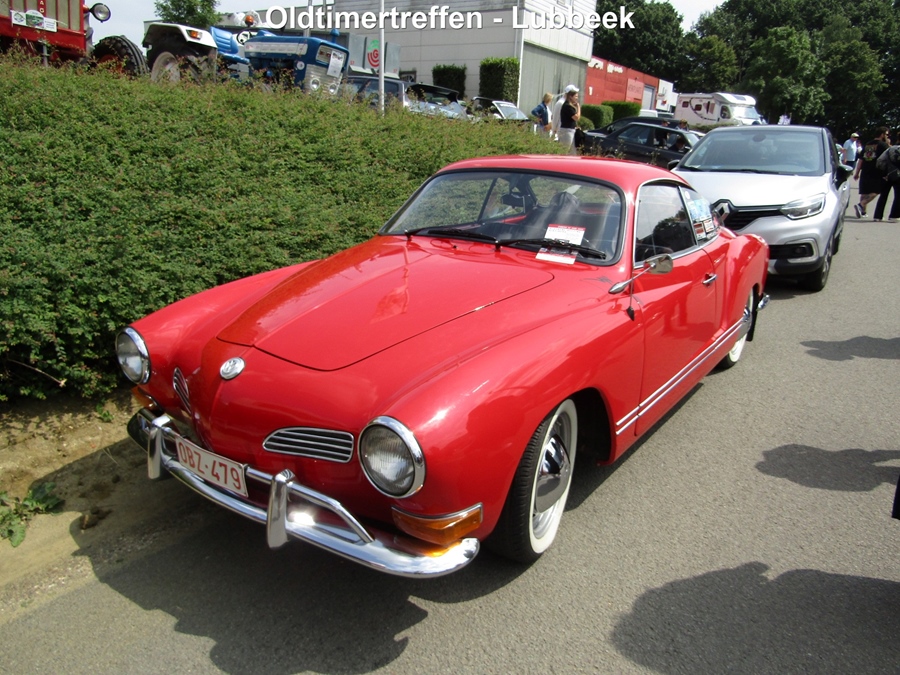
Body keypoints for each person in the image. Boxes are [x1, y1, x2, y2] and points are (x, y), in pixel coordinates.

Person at [854, 126, 890, 218]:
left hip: (865, 170)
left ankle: (863, 212)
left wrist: (857, 172)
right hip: (876, 171)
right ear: (882, 134)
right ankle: (861, 205)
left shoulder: (868, 144)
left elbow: (861, 159)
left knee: (864, 191)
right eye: (886, 134)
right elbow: (888, 157)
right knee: (877, 190)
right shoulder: (883, 145)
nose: (887, 136)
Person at [557, 86, 581, 155]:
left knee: (572, 153)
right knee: (564, 151)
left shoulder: (570, 106)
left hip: (571, 130)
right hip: (566, 131)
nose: (577, 98)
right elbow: (576, 117)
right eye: (575, 96)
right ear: (570, 96)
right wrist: (578, 107)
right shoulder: (567, 106)